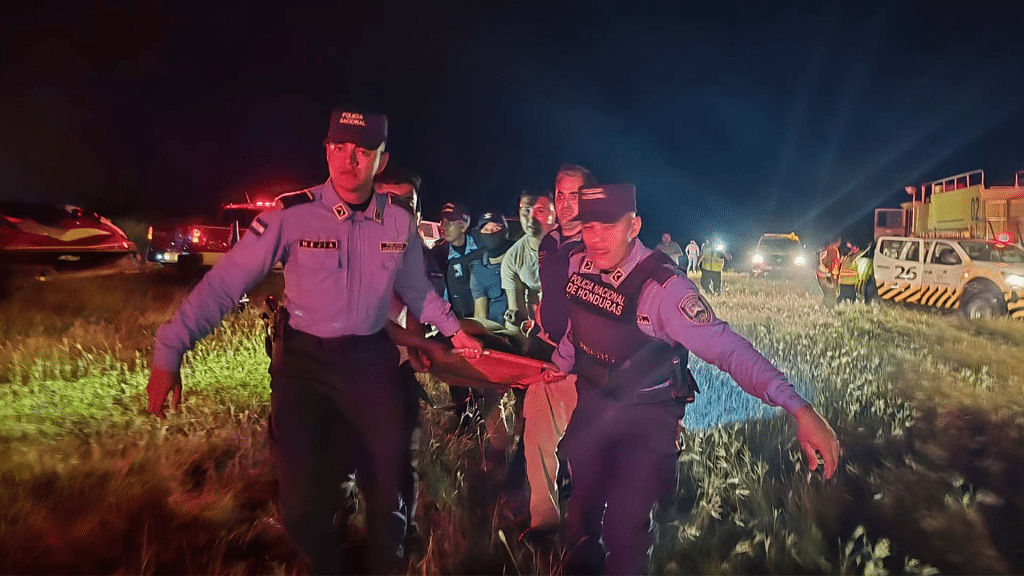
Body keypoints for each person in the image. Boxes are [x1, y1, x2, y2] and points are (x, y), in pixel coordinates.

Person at [146, 108, 482, 575]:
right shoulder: (291, 215)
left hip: (369, 360)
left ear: (380, 161)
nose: (349, 161)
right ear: (326, 150)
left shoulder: (398, 225)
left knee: (390, 489)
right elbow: (225, 284)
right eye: (340, 149)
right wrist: (170, 349)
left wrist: (455, 332)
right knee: (302, 508)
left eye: (363, 151)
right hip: (305, 364)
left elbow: (417, 291)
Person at [541, 184, 840, 575]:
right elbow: (577, 329)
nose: (595, 239)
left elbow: (729, 350)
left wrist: (798, 407)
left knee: (624, 528)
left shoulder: (664, 290)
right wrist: (561, 363)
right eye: (588, 227)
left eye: (608, 227)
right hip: (593, 406)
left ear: (634, 226)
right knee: (581, 512)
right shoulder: (580, 264)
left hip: (646, 419)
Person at [520, 164, 596, 539]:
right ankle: (545, 520)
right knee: (536, 431)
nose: (566, 204)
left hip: (585, 359)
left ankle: (587, 530)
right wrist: (538, 315)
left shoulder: (597, 242)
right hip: (549, 351)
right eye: (560, 194)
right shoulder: (549, 242)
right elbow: (549, 292)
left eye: (575, 195)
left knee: (584, 443)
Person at [502, 190, 556, 340]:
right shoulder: (512, 257)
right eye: (526, 211)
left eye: (540, 211)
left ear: (554, 213)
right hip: (536, 328)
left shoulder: (569, 246)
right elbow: (516, 310)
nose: (531, 219)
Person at [430, 202, 480, 319]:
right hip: (455, 321)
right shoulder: (437, 255)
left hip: (484, 319)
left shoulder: (481, 246)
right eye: (443, 222)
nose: (443, 227)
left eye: (450, 223)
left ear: (464, 226)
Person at [470, 209, 513, 326]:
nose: (490, 233)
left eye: (495, 229)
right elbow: (480, 316)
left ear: (504, 231)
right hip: (498, 333)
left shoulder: (518, 258)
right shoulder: (478, 271)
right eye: (486, 230)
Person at [816, 237, 841, 307]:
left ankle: (824, 307)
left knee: (827, 293)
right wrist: (833, 278)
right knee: (831, 294)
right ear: (838, 242)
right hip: (827, 275)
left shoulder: (826, 249)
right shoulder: (833, 250)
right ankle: (828, 308)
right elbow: (832, 265)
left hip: (821, 274)